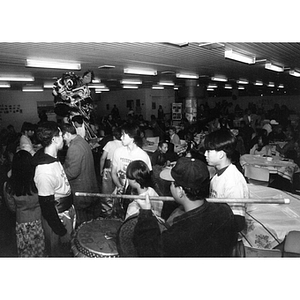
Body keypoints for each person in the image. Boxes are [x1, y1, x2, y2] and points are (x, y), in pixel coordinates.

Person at [132, 157, 238, 257]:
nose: (170, 186)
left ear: (181, 191)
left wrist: (145, 213)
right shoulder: (225, 211)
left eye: (172, 183)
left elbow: (147, 251)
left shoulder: (179, 234)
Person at [32, 121, 76, 257]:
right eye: (61, 134)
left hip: (66, 214)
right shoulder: (44, 170)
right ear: (54, 139)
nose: (63, 137)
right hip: (58, 219)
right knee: (59, 253)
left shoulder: (52, 158)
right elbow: (47, 207)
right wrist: (61, 231)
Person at [204, 129, 249, 232]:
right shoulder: (218, 174)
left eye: (209, 151)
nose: (205, 154)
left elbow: (238, 222)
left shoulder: (233, 181)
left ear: (221, 154)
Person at [3, 150, 45, 257]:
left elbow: (11, 207)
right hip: (39, 221)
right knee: (40, 251)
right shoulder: (37, 181)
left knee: (25, 253)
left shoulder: (9, 186)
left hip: (22, 222)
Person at [61, 123, 102, 226]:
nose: (62, 140)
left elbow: (73, 172)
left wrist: (59, 173)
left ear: (66, 134)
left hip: (81, 191)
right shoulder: (82, 141)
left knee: (81, 223)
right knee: (89, 222)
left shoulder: (74, 147)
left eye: (62, 136)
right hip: (88, 187)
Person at [111, 123, 152, 216]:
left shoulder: (143, 156)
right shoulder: (118, 152)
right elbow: (113, 172)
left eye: (123, 135)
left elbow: (147, 180)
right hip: (121, 192)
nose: (121, 138)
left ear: (132, 137)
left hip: (136, 196)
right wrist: (119, 186)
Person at [99, 126, 123, 215]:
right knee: (119, 190)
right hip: (120, 171)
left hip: (109, 170)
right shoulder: (124, 144)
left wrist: (101, 170)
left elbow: (102, 158)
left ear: (113, 136)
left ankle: (107, 211)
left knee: (107, 192)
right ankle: (119, 211)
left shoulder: (110, 143)